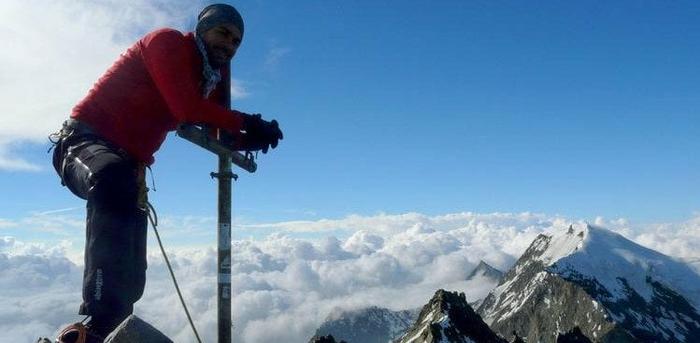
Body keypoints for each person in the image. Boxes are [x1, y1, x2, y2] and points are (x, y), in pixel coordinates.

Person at [50, 4, 282, 342]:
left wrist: (251, 139)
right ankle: (92, 326)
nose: (229, 45)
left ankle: (113, 325)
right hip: (85, 142)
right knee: (111, 180)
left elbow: (217, 125)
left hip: (129, 168)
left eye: (236, 41)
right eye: (223, 33)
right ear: (203, 29)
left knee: (131, 265)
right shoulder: (167, 43)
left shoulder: (207, 80)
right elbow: (187, 109)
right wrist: (248, 122)